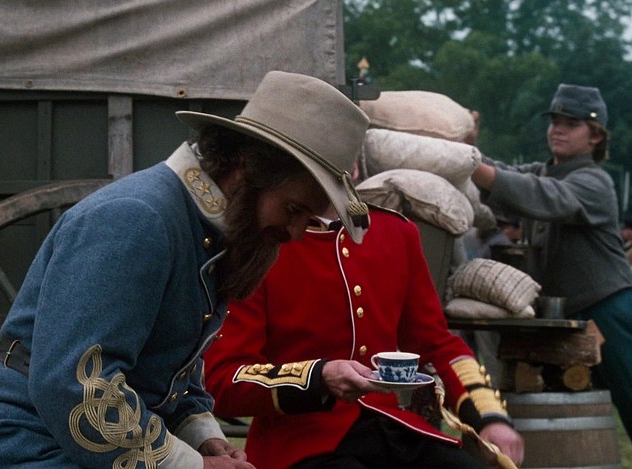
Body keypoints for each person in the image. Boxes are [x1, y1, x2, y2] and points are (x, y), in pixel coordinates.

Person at [0, 71, 373, 468]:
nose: (295, 233)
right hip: (18, 445)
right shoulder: (137, 218)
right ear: (248, 168)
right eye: (293, 209)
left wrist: (204, 438)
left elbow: (171, 369)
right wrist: (192, 466)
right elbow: (76, 384)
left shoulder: (204, 229)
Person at [203, 159, 524, 468]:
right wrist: (318, 378)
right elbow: (225, 380)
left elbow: (438, 345)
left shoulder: (397, 233)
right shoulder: (263, 242)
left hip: (391, 430)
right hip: (298, 444)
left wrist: (489, 417)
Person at [470, 83, 632, 438]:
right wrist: (465, 146)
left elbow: (543, 196)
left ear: (595, 136)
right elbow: (507, 176)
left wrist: (471, 166)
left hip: (610, 310)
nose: (558, 129)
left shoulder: (595, 181)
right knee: (566, 417)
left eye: (571, 124)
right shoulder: (542, 172)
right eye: (555, 121)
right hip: (563, 316)